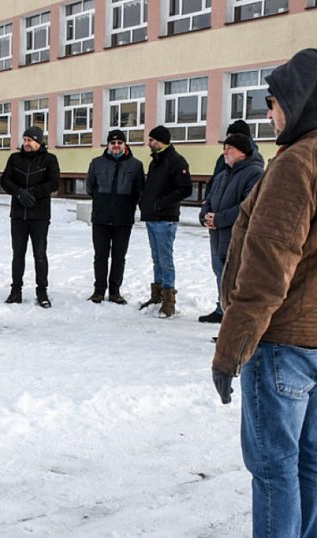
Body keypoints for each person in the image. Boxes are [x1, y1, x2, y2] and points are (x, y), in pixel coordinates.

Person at [211, 48, 317, 538]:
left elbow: (268, 268)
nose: (269, 114)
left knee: (275, 469)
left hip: (281, 345)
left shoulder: (297, 164)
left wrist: (229, 351)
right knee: (309, 463)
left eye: (272, 103)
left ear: (298, 101)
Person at [197, 133, 263, 324]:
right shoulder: (223, 174)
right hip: (217, 238)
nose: (225, 152)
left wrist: (219, 219)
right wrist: (205, 217)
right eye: (224, 148)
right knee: (222, 279)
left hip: (236, 238)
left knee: (235, 282)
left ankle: (233, 324)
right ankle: (223, 313)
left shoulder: (255, 173)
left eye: (229, 149)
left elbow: (248, 206)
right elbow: (209, 199)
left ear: (242, 152)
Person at [0, 126, 60, 307]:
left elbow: (54, 183)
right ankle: (15, 291)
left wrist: (32, 193)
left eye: (30, 140)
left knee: (40, 254)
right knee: (18, 254)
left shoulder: (49, 159)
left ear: (39, 142)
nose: (26, 143)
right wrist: (19, 193)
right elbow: (5, 180)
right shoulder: (14, 158)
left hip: (39, 215)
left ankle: (42, 291)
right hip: (18, 215)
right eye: (24, 140)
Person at [85, 129, 145, 305]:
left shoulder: (136, 165)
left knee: (119, 257)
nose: (116, 145)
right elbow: (90, 187)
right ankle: (98, 291)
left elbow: (139, 191)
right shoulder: (97, 163)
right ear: (108, 145)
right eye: (113, 143)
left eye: (119, 143)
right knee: (100, 256)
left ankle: (114, 292)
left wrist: (127, 206)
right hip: (101, 218)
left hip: (123, 219)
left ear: (125, 144)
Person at [138, 125, 192, 317]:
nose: (149, 143)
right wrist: (145, 203)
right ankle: (157, 295)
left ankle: (169, 301)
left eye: (151, 140)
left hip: (165, 219)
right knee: (156, 259)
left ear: (160, 141)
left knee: (165, 259)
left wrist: (161, 204)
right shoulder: (156, 161)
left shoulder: (176, 161)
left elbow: (185, 189)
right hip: (152, 217)